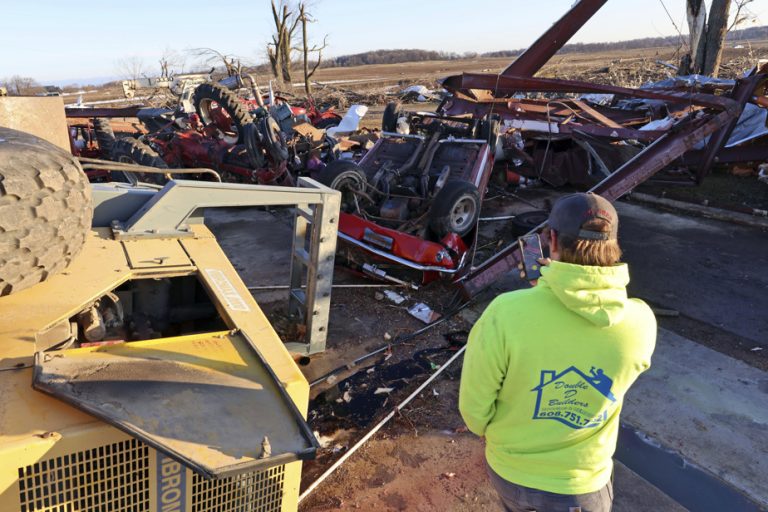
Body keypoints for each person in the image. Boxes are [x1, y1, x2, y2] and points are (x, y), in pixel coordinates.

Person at [458, 192, 656, 512]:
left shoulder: (505, 313)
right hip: (583, 487)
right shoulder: (641, 321)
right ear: (615, 245)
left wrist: (549, 292)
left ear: (551, 239)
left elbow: (474, 412)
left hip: (512, 472)